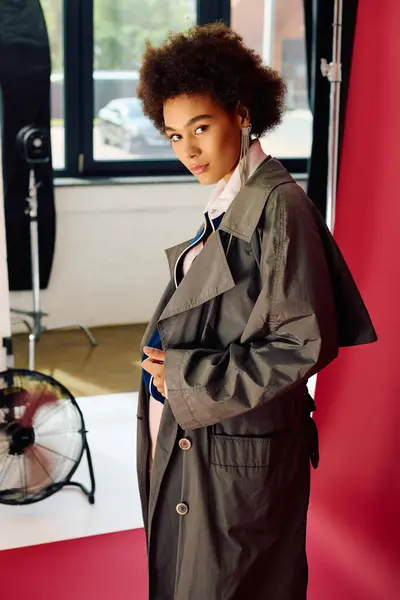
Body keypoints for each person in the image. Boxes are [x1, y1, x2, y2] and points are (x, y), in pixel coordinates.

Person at [137, 23, 377, 600]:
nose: (188, 151)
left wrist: (187, 378)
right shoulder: (233, 198)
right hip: (215, 441)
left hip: (238, 449)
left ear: (242, 114)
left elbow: (302, 342)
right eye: (174, 135)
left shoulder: (278, 206)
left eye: (201, 127)